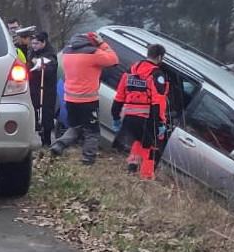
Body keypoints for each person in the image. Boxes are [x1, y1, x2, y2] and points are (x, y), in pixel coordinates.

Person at [50, 32, 118, 164]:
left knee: (76, 126)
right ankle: (88, 158)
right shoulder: (93, 54)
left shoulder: (67, 53)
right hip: (88, 100)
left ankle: (59, 145)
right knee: (92, 131)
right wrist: (102, 44)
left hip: (70, 98)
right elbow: (114, 60)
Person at [111, 44, 168, 180]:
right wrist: (160, 122)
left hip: (129, 117)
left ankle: (132, 168)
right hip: (145, 117)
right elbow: (158, 101)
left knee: (138, 141)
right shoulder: (156, 74)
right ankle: (146, 176)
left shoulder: (131, 70)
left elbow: (120, 94)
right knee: (151, 145)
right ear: (160, 57)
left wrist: (115, 115)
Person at [28, 32, 58, 147]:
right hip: (34, 88)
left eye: (36, 43)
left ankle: (46, 141)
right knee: (34, 112)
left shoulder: (50, 55)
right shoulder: (32, 53)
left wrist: (41, 65)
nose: (34, 46)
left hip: (46, 90)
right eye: (32, 43)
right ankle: (36, 133)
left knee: (46, 115)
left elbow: (51, 70)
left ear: (43, 43)